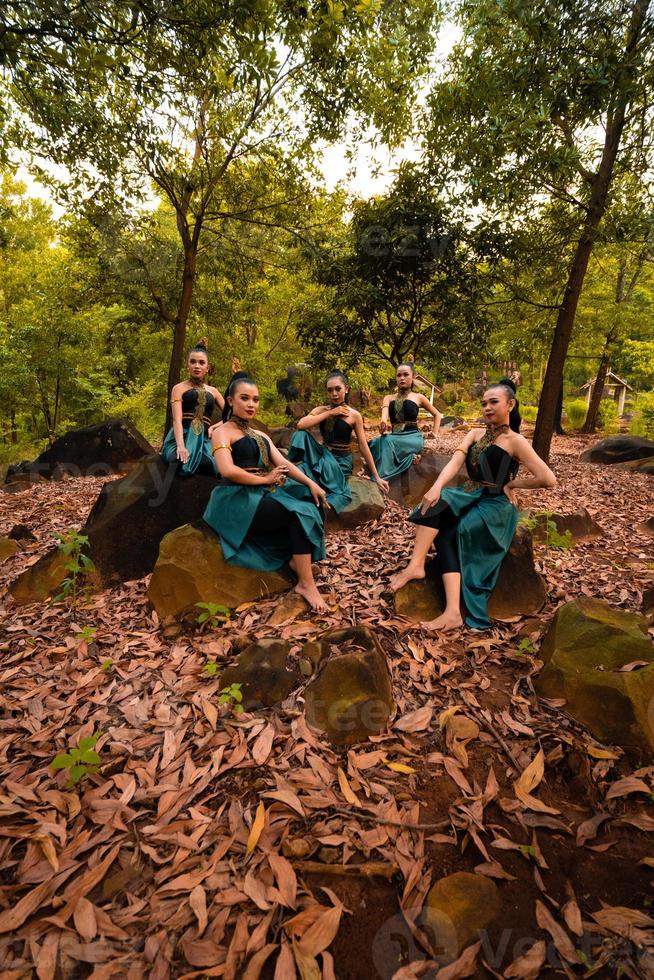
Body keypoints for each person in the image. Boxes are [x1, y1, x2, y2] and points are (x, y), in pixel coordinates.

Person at [390, 383, 556, 631]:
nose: (487, 408)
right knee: (434, 504)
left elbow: (548, 479)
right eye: (484, 403)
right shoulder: (475, 434)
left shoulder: (516, 441)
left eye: (493, 402)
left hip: (496, 504)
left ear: (510, 404)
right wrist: (436, 486)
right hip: (470, 492)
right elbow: (454, 464)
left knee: (452, 532)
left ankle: (452, 613)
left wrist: (513, 484)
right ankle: (416, 566)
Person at [203, 375, 330, 612]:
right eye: (245, 398)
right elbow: (226, 469)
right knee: (296, 513)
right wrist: (265, 479)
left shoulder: (259, 435)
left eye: (255, 399)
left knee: (314, 501)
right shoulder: (222, 432)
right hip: (235, 499)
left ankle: (297, 560)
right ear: (230, 401)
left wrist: (311, 484)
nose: (251, 404)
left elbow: (283, 462)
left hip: (262, 492)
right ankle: (306, 584)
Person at [288, 370, 389, 511]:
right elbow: (301, 425)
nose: (334, 394)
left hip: (340, 461)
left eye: (338, 389)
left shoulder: (354, 415)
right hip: (322, 454)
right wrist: (330, 413)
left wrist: (376, 476)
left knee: (309, 474)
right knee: (301, 435)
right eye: (330, 390)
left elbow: (363, 445)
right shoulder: (321, 409)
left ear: (346, 389)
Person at [161, 339, 225, 476]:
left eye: (201, 363)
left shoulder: (213, 391)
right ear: (187, 365)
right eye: (193, 362)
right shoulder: (178, 388)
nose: (197, 366)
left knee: (207, 465)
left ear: (207, 368)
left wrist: (214, 427)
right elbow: (177, 420)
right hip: (181, 437)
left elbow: (231, 415)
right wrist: (181, 446)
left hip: (204, 442)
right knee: (177, 460)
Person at [368, 363, 443, 480]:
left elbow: (437, 414)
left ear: (413, 377)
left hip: (412, 437)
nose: (402, 378)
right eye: (399, 375)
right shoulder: (388, 398)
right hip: (395, 436)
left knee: (386, 441)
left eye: (406, 375)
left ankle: (382, 478)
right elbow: (385, 411)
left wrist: (434, 433)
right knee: (375, 442)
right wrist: (383, 421)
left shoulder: (419, 397)